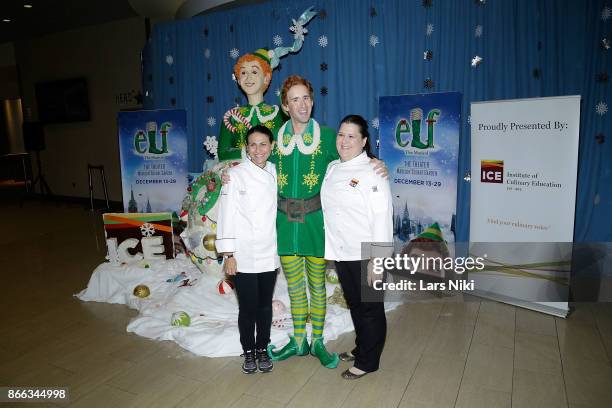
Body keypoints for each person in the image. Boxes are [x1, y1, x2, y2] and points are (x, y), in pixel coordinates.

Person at [266, 77, 389, 368]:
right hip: (286, 226)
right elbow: (252, 156)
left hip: (317, 228)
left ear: (313, 99)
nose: (302, 104)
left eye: (306, 97)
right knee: (296, 288)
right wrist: (232, 171)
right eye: (294, 99)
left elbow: (356, 157)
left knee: (323, 289)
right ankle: (298, 341)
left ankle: (319, 342)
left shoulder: (329, 136)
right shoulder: (273, 137)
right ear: (285, 105)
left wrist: (377, 162)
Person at [320, 114, 393, 380]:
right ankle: (363, 347)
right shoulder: (332, 168)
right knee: (356, 305)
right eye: (341, 134)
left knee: (370, 309)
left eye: (352, 136)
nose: (345, 140)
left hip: (367, 254)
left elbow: (382, 218)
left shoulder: (374, 172)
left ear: (364, 141)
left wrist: (378, 260)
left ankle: (368, 361)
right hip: (342, 252)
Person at [215, 125, 279, 374]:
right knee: (248, 307)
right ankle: (249, 350)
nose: (258, 149)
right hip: (242, 253)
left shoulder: (275, 171)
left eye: (263, 144)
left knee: (265, 305)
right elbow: (226, 215)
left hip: (268, 251)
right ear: (246, 148)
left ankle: (262, 347)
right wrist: (229, 254)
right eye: (252, 144)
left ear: (272, 146)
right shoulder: (236, 175)